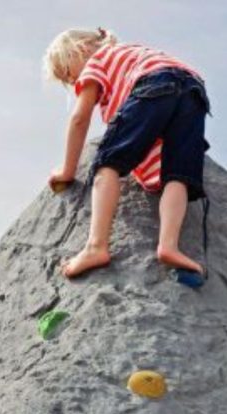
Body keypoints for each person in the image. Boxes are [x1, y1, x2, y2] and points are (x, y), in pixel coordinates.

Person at [43, 27, 210, 279]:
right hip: (194, 89)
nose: (73, 83)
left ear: (81, 49)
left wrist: (67, 170)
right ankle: (169, 245)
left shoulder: (99, 59)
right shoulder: (136, 52)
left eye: (68, 73)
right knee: (177, 176)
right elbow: (153, 130)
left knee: (108, 164)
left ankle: (96, 246)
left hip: (155, 82)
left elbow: (80, 118)